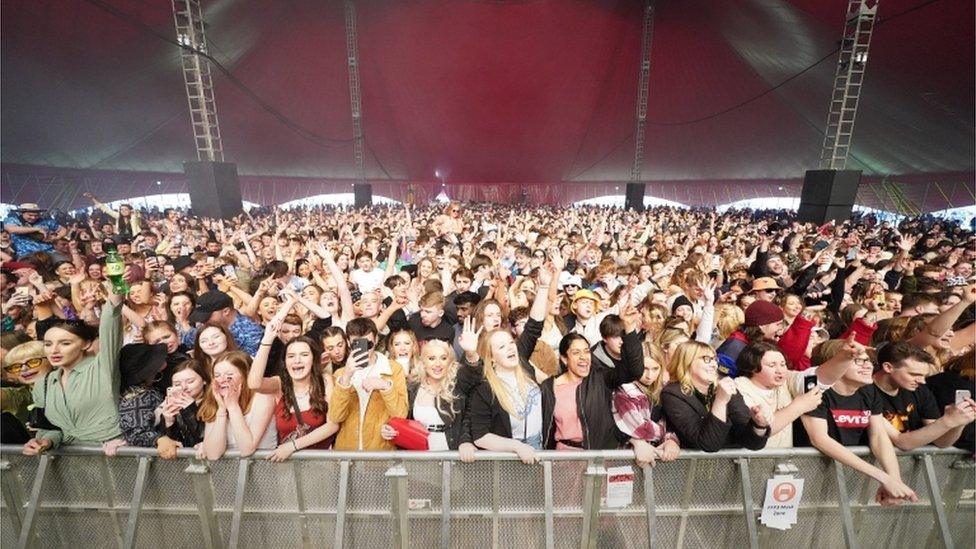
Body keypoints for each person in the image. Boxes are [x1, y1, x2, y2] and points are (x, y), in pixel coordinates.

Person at [800, 344, 918, 506]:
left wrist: (894, 481)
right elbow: (819, 439)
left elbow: (878, 437)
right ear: (835, 364)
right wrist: (883, 477)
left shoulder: (869, 391)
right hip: (808, 472)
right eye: (859, 361)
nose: (868, 365)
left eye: (869, 361)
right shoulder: (815, 389)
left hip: (847, 476)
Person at [463, 262, 555, 463]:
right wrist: (515, 447)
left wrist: (544, 288)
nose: (511, 348)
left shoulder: (522, 362)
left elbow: (533, 326)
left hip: (539, 448)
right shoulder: (485, 386)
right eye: (501, 347)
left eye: (510, 343)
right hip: (507, 457)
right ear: (492, 357)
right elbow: (480, 435)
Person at [23, 282, 126, 455]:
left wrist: (116, 289)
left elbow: (111, 324)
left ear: (86, 344)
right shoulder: (44, 383)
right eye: (48, 344)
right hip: (69, 465)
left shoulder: (102, 367)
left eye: (65, 343)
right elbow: (51, 429)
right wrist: (45, 440)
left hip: (113, 458)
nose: (54, 350)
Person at [540, 299, 644, 451]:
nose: (583, 357)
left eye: (586, 351)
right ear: (564, 359)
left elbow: (635, 371)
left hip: (597, 457)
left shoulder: (600, 378)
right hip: (562, 459)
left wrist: (628, 328)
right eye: (576, 352)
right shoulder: (549, 387)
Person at [248, 315, 339, 461]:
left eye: (304, 355)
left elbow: (332, 425)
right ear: (285, 362)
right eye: (291, 356)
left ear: (313, 359)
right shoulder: (280, 384)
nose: (297, 360)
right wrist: (267, 341)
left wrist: (292, 446)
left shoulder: (325, 381)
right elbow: (254, 384)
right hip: (287, 468)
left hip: (321, 467)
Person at [862, 341, 975, 450]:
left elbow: (941, 442)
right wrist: (947, 421)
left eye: (923, 375)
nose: (922, 381)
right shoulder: (863, 392)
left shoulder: (920, 391)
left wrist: (959, 422)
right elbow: (902, 442)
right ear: (888, 367)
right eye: (914, 374)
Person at [661, 341, 770, 452]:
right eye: (707, 359)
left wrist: (759, 425)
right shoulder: (673, 394)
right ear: (687, 361)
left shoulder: (725, 387)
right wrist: (720, 401)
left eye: (714, 359)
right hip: (691, 467)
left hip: (729, 465)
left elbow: (751, 442)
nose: (714, 365)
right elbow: (708, 443)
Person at [380, 339, 477, 459]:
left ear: (450, 361)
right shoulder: (412, 388)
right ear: (423, 362)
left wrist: (466, 440)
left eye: (443, 358)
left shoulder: (459, 385)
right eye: (431, 358)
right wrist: (389, 428)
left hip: (451, 455)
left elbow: (469, 415)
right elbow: (402, 418)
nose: (438, 364)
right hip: (417, 457)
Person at [328, 318, 408, 450]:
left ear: (376, 340)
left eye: (368, 344)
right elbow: (335, 417)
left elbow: (400, 414)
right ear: (348, 342)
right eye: (357, 344)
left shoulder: (393, 369)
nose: (364, 350)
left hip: (379, 453)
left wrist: (385, 386)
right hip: (347, 455)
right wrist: (346, 377)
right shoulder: (341, 374)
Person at [612, 341, 681, 467]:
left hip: (654, 459)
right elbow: (642, 429)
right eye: (645, 369)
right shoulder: (624, 391)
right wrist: (669, 436)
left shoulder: (664, 390)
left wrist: (671, 439)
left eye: (655, 369)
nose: (650, 375)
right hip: (624, 459)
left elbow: (672, 421)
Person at [200, 351, 277, 459]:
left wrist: (233, 407)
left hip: (262, 471)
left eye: (229, 375)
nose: (222, 380)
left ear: (245, 375)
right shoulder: (215, 399)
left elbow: (247, 449)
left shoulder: (263, 397)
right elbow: (213, 454)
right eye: (217, 375)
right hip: (227, 472)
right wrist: (221, 410)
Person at [155, 359, 210, 459]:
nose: (184, 387)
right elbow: (174, 444)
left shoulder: (214, 403)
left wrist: (190, 410)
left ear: (204, 380)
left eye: (190, 381)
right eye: (177, 384)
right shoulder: (171, 405)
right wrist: (168, 422)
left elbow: (204, 439)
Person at [183, 290, 266, 356]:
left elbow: (247, 367)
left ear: (226, 311)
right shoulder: (208, 324)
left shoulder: (251, 333)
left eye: (206, 317)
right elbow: (189, 339)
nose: (202, 321)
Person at [2, 341, 52, 443]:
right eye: (16, 366)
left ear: (51, 361)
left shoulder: (73, 387)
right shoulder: (22, 394)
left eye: (33, 362)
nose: (24, 368)